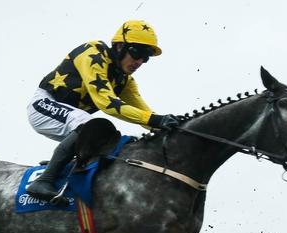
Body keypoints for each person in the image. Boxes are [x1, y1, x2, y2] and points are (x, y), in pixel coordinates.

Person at [26, 19, 180, 202]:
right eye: (136, 52)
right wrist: (154, 120)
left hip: (71, 118)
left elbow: (145, 114)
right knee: (91, 125)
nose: (139, 61)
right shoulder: (94, 53)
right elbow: (107, 103)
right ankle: (44, 181)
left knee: (107, 138)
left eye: (145, 57)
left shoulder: (125, 81)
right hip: (43, 104)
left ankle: (63, 168)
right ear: (119, 46)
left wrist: (170, 129)